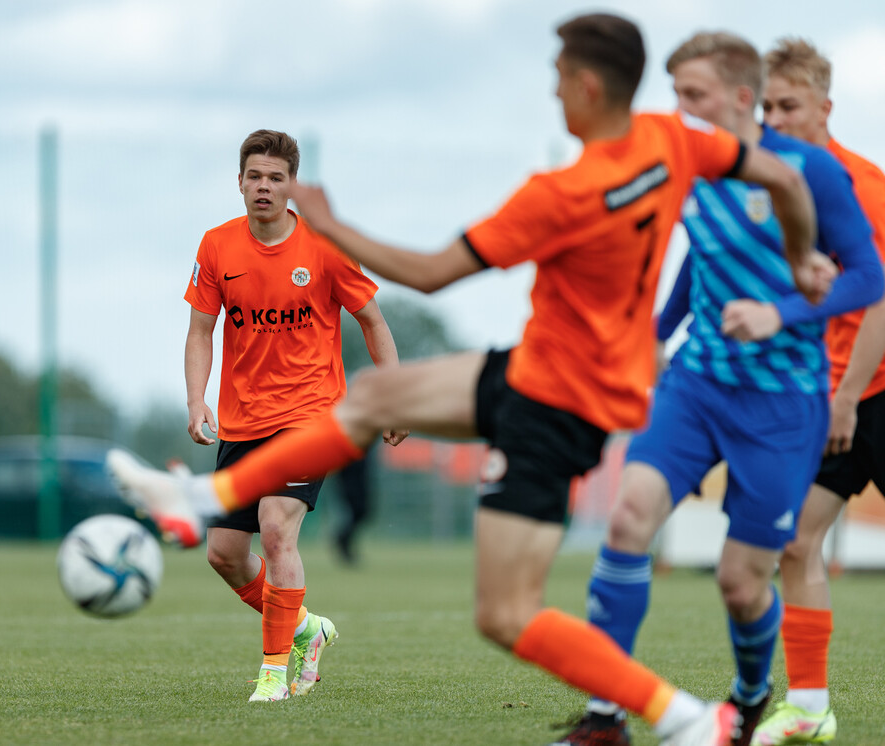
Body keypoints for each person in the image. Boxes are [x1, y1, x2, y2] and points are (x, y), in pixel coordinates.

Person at [108, 14, 836, 745]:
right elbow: (777, 173)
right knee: (374, 397)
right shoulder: (672, 140)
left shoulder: (565, 191)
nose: (553, 94)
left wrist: (332, 227)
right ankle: (197, 497)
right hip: (537, 373)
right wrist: (804, 261)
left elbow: (430, 273)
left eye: (557, 80)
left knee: (504, 615)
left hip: (557, 401)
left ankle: (686, 720)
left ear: (586, 86)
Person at [559, 32, 883, 746]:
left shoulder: (827, 176)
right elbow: (698, 264)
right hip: (708, 385)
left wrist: (795, 328)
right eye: (675, 95)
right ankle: (613, 713)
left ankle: (754, 693)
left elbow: (873, 284)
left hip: (813, 397)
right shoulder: (691, 165)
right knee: (643, 524)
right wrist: (652, 334)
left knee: (747, 577)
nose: (681, 110)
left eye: (693, 96)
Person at [178, 129, 406, 702]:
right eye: (254, 176)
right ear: (239, 182)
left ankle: (275, 671)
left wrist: (393, 395)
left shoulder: (325, 247)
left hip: (310, 415)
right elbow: (201, 330)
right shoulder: (216, 247)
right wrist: (196, 398)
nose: (263, 187)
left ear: (291, 187)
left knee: (277, 530)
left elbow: (373, 321)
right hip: (243, 420)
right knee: (224, 554)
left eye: (275, 178)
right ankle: (307, 628)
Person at [746, 38, 885, 746]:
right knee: (797, 544)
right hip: (822, 399)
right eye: (766, 105)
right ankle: (808, 706)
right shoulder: (773, 192)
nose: (774, 117)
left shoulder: (863, 182)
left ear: (824, 107)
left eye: (788, 105)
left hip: (874, 393)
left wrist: (850, 395)